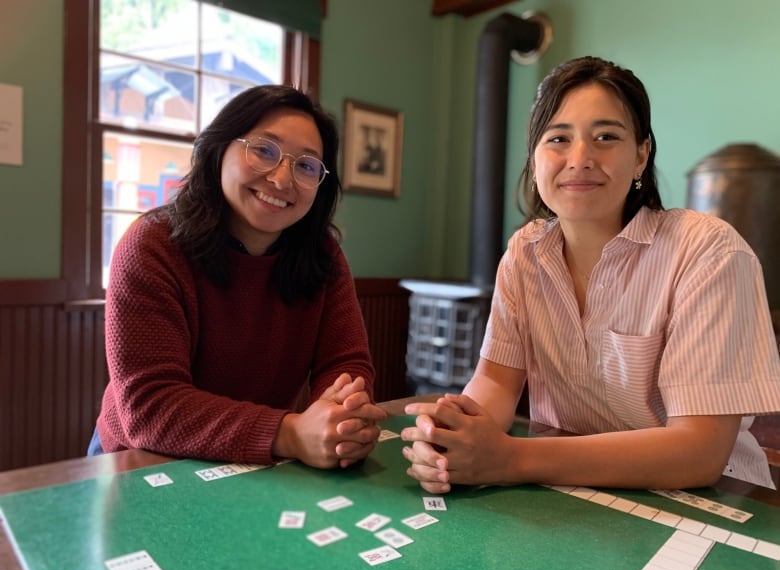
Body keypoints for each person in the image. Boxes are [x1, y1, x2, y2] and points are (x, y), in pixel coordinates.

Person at [401, 56, 780, 494]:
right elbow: (494, 383)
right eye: (558, 138)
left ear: (641, 155)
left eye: (606, 137)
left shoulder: (707, 252)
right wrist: (454, 439)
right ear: (535, 158)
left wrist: (509, 458)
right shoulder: (525, 253)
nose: (579, 158)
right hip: (567, 488)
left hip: (700, 500)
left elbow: (699, 452)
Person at [88, 85, 386, 469]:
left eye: (306, 166)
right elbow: (150, 407)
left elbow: (346, 364)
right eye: (264, 150)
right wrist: (292, 433)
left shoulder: (323, 255)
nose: (282, 179)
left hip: (256, 460)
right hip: (141, 461)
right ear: (219, 149)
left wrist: (342, 416)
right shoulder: (150, 245)